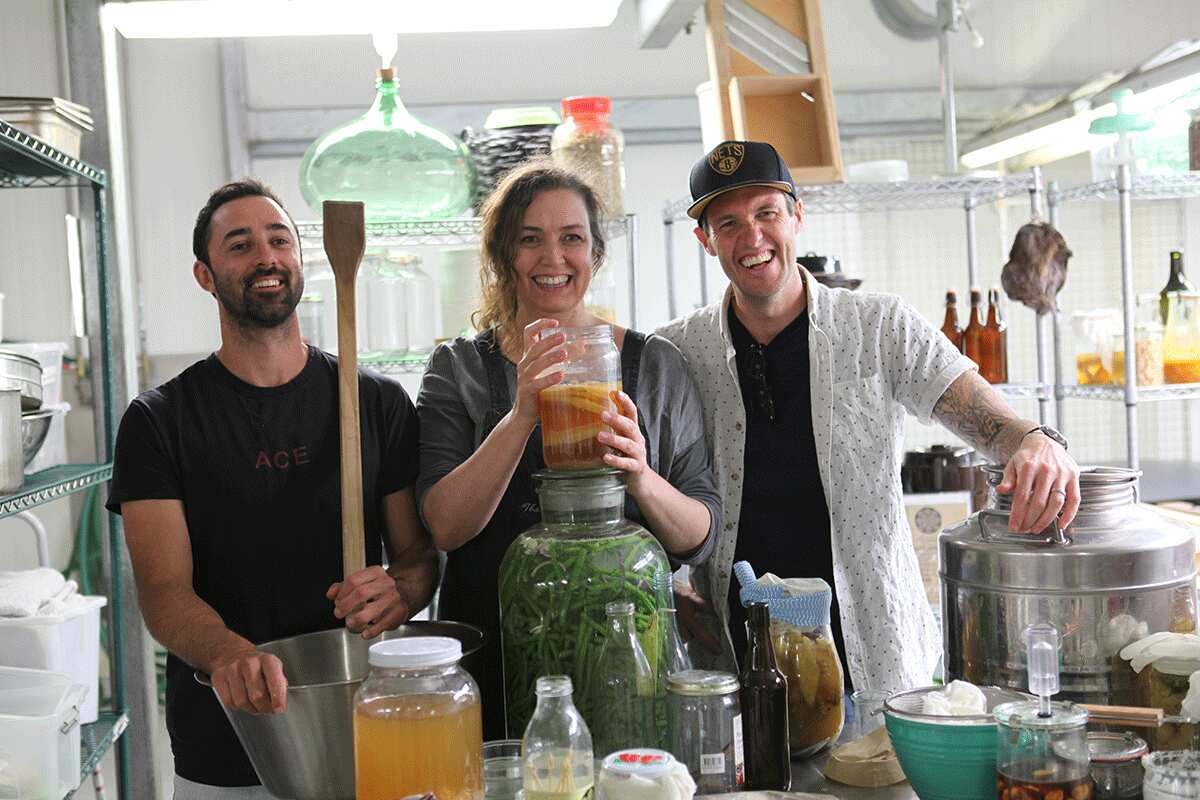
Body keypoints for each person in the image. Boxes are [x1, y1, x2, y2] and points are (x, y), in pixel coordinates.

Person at [657, 140, 1081, 692]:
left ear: (796, 216)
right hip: (739, 661)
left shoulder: (879, 326)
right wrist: (668, 586)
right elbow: (647, 485)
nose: (752, 237)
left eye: (767, 213)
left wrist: (1034, 440)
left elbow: (990, 419)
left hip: (874, 655)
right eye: (729, 223)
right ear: (705, 241)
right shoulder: (680, 351)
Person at [106, 180, 437, 798]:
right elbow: (163, 591)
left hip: (367, 729)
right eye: (240, 245)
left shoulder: (378, 402)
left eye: (279, 239)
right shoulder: (158, 421)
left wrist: (400, 591)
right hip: (228, 744)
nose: (266, 256)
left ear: (301, 258)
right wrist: (230, 654)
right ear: (205, 275)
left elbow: (417, 558)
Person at [417, 160, 721, 739]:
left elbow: (700, 536)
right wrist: (521, 415)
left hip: (626, 673)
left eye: (571, 238)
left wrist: (641, 476)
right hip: (491, 662)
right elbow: (444, 527)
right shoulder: (457, 370)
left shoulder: (654, 367)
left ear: (595, 253)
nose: (552, 259)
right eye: (529, 240)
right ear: (504, 255)